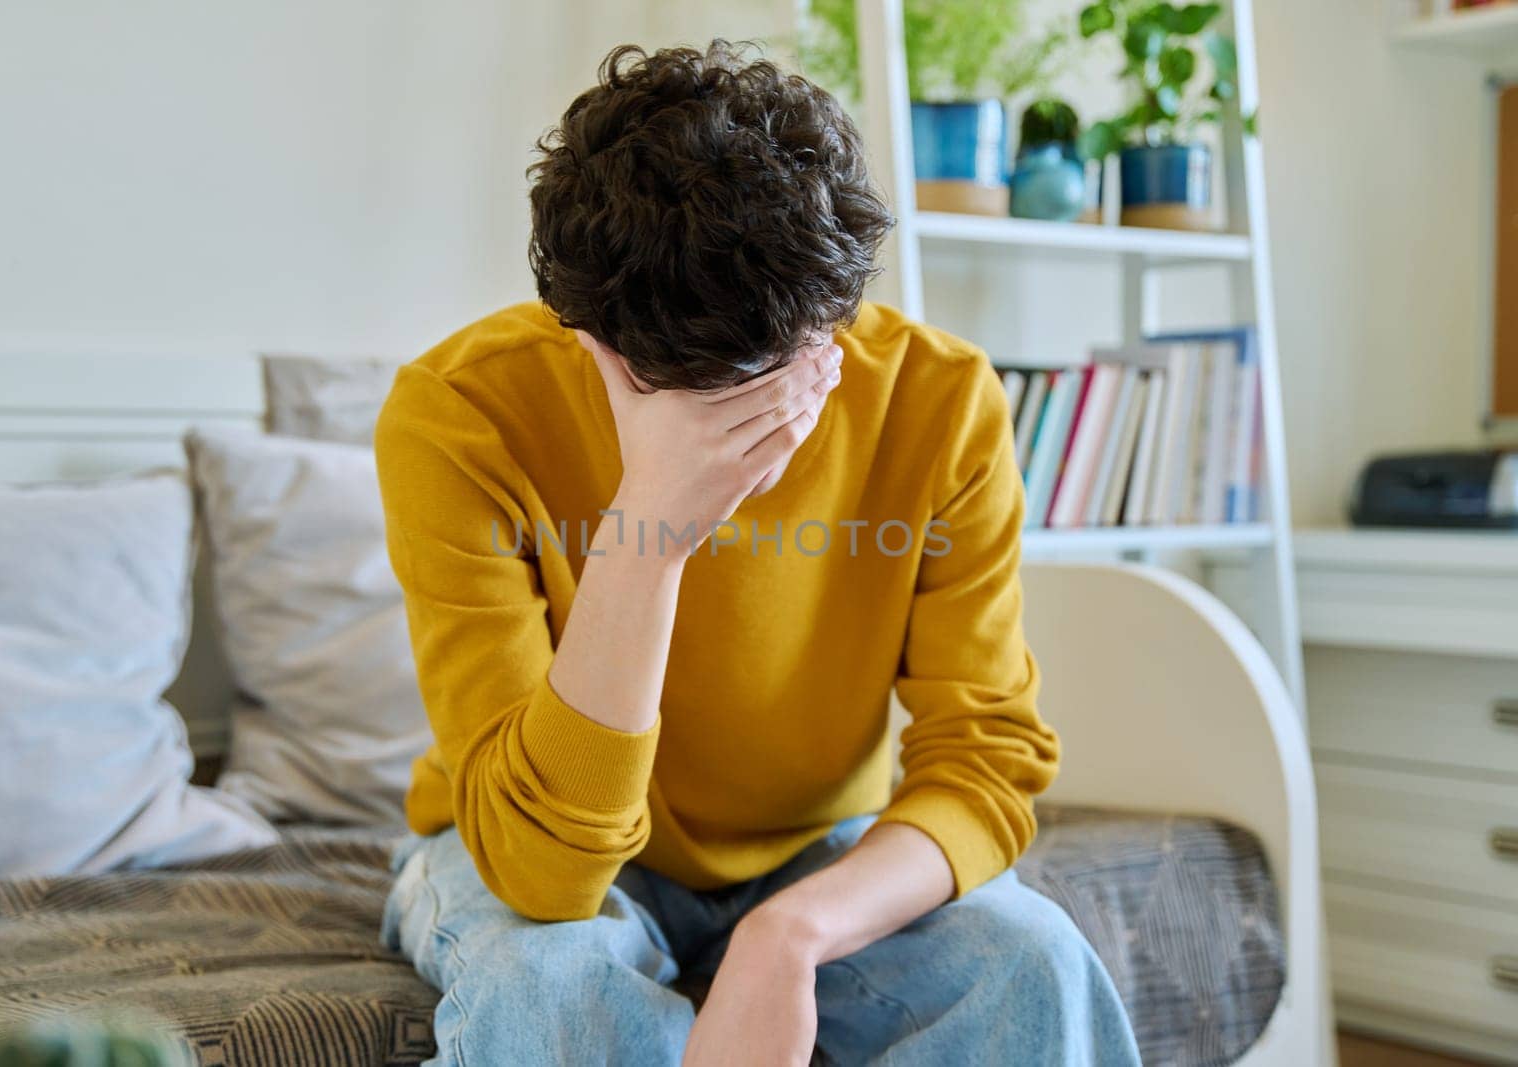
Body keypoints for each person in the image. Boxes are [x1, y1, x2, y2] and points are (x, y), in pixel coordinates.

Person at [375, 38, 1140, 1066]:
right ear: (591, 340)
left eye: (789, 367)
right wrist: (651, 523)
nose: (767, 424)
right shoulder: (458, 414)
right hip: (525, 841)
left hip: (814, 845)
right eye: (710, 391)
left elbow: (984, 760)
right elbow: (539, 868)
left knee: (1029, 959)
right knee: (547, 988)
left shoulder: (941, 400)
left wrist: (790, 933)